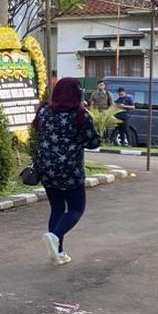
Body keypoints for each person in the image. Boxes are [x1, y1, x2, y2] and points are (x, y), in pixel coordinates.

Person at [33, 78, 102, 265]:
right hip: (70, 171)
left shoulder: (44, 111)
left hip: (46, 169)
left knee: (56, 208)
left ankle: (59, 253)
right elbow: (94, 143)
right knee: (76, 208)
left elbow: (36, 133)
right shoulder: (80, 115)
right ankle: (54, 237)